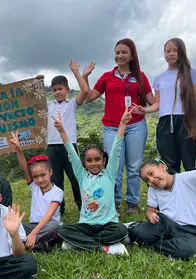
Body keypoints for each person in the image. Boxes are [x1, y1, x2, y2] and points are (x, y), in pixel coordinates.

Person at [83, 38, 155, 215]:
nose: (119, 55)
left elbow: (154, 103)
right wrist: (84, 76)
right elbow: (89, 96)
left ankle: (132, 202)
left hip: (136, 125)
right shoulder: (107, 76)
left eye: (124, 52)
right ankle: (113, 201)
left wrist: (143, 110)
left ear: (132, 55)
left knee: (134, 166)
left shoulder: (140, 76)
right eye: (117, 52)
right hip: (112, 127)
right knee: (114, 166)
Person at [54, 108, 132, 255]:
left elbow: (116, 149)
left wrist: (122, 123)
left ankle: (81, 243)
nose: (93, 163)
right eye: (89, 160)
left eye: (97, 159)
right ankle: (104, 247)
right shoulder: (82, 175)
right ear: (84, 163)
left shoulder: (109, 174)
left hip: (109, 225)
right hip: (86, 225)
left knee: (121, 230)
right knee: (63, 229)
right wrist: (62, 131)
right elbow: (71, 152)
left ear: (103, 161)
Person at [131, 38, 196, 173]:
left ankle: (193, 194)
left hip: (187, 121)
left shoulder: (191, 73)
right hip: (165, 123)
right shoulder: (159, 78)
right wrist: (144, 110)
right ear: (164, 53)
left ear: (181, 52)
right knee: (170, 164)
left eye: (175, 51)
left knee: (191, 163)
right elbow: (157, 104)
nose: (171, 54)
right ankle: (174, 194)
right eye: (167, 51)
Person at [127, 157, 196, 260]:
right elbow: (150, 210)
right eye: (147, 180)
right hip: (164, 223)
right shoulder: (153, 189)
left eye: (151, 173)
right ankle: (134, 229)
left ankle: (153, 243)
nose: (151, 180)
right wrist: (150, 215)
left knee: (187, 251)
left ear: (162, 167)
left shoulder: (188, 178)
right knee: (138, 232)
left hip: (187, 229)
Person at [44, 61, 89, 215]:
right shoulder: (49, 105)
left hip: (69, 146)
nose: (57, 92)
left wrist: (77, 72)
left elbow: (85, 90)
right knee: (55, 180)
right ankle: (59, 211)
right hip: (52, 146)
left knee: (76, 178)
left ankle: (83, 207)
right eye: (54, 90)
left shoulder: (72, 105)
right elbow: (31, 100)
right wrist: (37, 83)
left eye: (60, 89)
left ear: (67, 89)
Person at [9, 131, 63, 250]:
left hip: (48, 225)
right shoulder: (35, 187)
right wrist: (18, 149)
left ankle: (28, 241)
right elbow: (24, 166)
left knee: (55, 226)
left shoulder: (57, 192)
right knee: (16, 226)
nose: (40, 180)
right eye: (35, 177)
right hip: (33, 225)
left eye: (43, 175)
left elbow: (49, 215)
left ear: (50, 172)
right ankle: (39, 244)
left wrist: (34, 234)